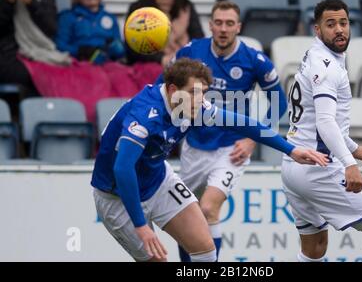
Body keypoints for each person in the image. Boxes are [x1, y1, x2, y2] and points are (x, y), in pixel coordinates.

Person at [91, 57, 328, 262]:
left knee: (205, 249)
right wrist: (141, 226)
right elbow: (123, 169)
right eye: (194, 92)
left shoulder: (194, 106)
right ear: (173, 90)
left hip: (157, 180)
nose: (200, 99)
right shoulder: (145, 115)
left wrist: (290, 150)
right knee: (158, 259)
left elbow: (244, 124)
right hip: (118, 196)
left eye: (203, 92)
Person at [156, 0, 288, 261]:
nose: (223, 29)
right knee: (187, 215)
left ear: (238, 27)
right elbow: (162, 91)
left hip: (231, 149)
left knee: (207, 209)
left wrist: (252, 140)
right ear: (210, 25)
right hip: (194, 146)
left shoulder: (254, 60)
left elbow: (279, 102)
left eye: (229, 23)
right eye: (218, 23)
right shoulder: (191, 52)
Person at [281, 0, 362, 262]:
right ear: (317, 29)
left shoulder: (315, 57)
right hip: (318, 168)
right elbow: (325, 123)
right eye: (330, 24)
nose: (339, 30)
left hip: (293, 165)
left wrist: (354, 148)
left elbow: (315, 122)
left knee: (315, 247)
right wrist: (349, 163)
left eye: (343, 23)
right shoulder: (326, 67)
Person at [126, 0, 204, 67]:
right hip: (149, 65)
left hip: (185, 63)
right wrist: (161, 59)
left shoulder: (186, 5)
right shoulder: (139, 9)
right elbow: (132, 47)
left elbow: (198, 38)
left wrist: (182, 57)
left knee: (196, 81)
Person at [0, 0, 58, 96]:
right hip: (7, 53)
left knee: (51, 71)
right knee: (32, 73)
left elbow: (51, 29)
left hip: (37, 50)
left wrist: (32, 3)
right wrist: (7, 1)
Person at [55, 0, 125, 65]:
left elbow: (118, 45)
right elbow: (60, 46)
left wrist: (117, 49)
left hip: (109, 65)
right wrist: (81, 51)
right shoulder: (67, 17)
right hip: (78, 64)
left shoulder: (110, 18)